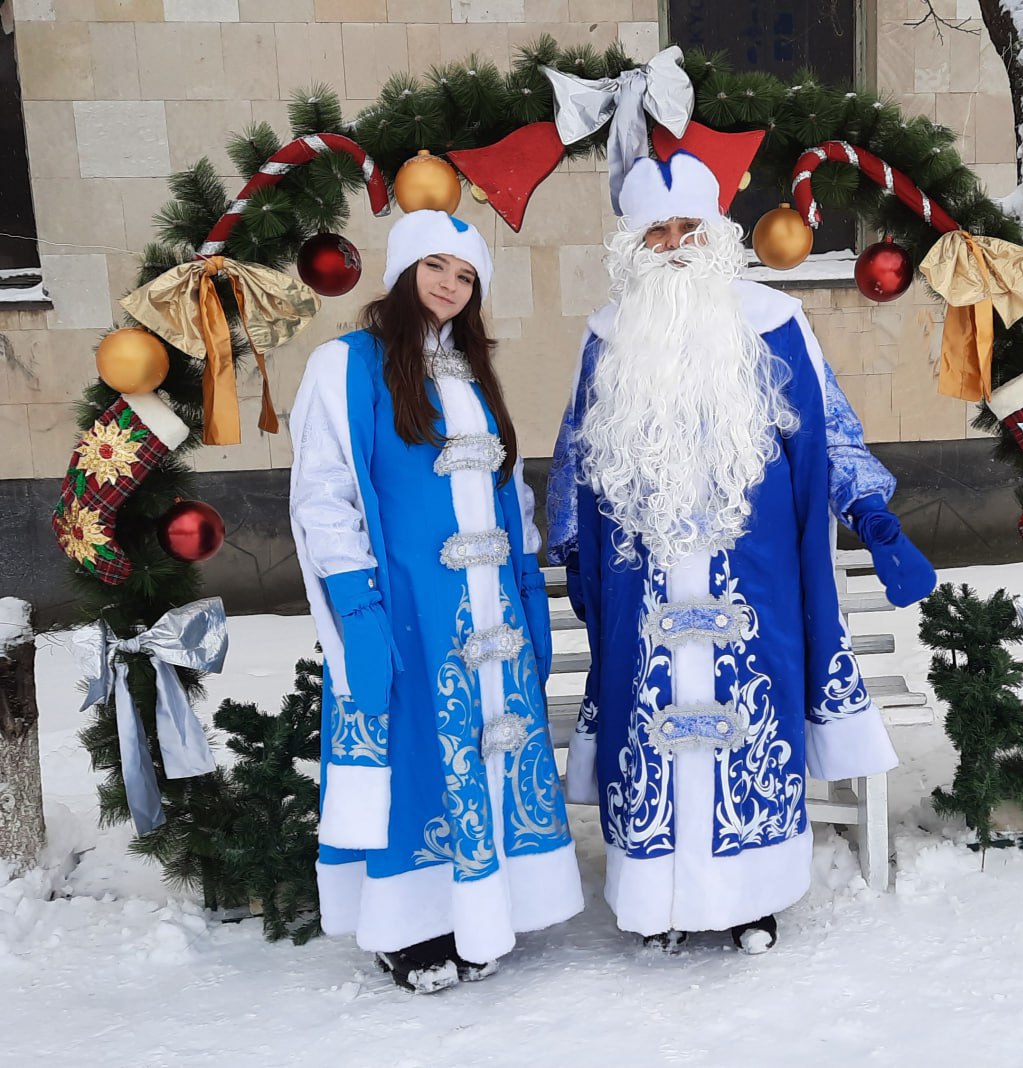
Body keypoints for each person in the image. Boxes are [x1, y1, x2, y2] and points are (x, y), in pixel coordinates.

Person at [546, 151, 935, 954]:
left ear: (716, 232)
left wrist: (871, 514)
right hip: (643, 582)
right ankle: (655, 900)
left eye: (690, 226)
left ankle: (750, 898)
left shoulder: (774, 319)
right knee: (651, 731)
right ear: (633, 243)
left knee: (750, 724)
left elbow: (831, 427)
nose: (677, 243)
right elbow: (577, 453)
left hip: (750, 578)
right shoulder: (608, 334)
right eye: (658, 230)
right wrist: (575, 553)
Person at [289, 210, 583, 993]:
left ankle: (479, 911)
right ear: (403, 270)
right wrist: (356, 608)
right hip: (408, 606)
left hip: (489, 614)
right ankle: (408, 928)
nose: (451, 286)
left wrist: (526, 592)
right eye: (436, 268)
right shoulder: (346, 364)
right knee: (418, 755)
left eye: (466, 275)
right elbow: (325, 494)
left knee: (485, 751)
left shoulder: (473, 371)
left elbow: (507, 491)